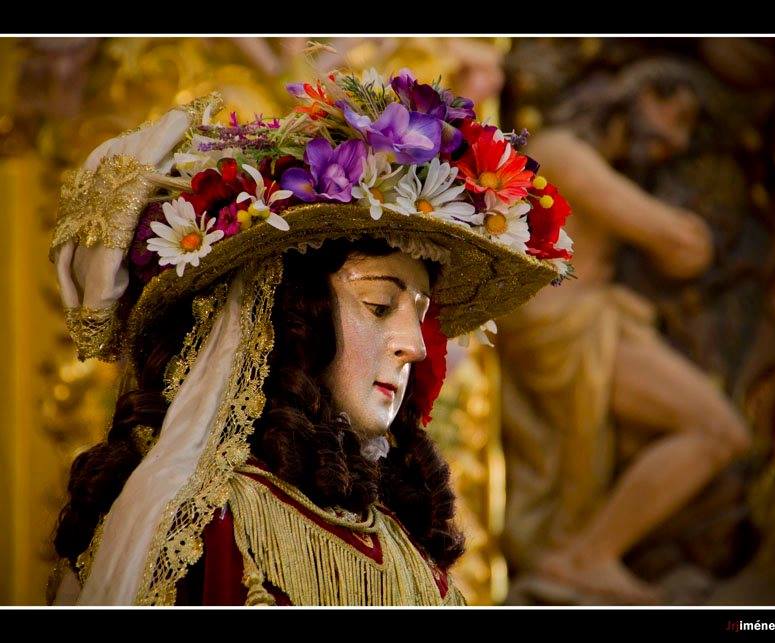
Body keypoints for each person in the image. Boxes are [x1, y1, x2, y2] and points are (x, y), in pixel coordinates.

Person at [45, 67, 572, 605]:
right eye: (379, 305)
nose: (414, 346)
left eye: (419, 314)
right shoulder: (211, 525)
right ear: (290, 316)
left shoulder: (396, 539)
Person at [499, 59, 752, 605]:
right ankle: (584, 558)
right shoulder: (566, 152)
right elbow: (679, 245)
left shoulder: (592, 161)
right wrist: (686, 232)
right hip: (563, 327)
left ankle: (586, 555)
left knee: (718, 431)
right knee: (716, 430)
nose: (677, 140)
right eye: (674, 116)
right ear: (637, 97)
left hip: (587, 321)